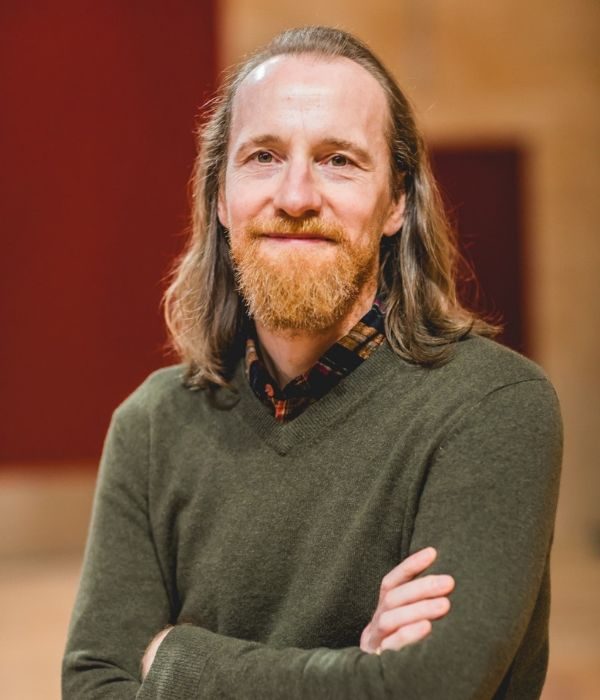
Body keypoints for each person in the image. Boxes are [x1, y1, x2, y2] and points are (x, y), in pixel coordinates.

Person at [62, 26, 562, 699]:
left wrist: (174, 661)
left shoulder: (493, 408)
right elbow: (93, 685)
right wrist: (357, 671)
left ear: (397, 203)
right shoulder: (152, 425)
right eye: (264, 156)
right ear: (220, 196)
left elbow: (433, 687)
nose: (296, 197)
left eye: (339, 161)